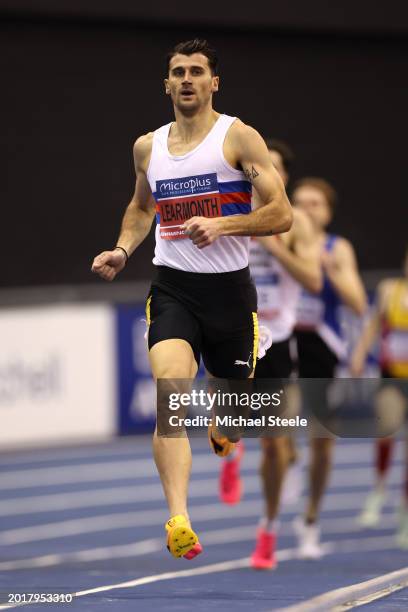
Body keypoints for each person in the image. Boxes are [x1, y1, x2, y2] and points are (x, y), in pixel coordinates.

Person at [91, 39, 293, 561]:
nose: (187, 79)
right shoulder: (147, 147)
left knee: (229, 412)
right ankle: (178, 517)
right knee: (170, 398)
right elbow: (140, 208)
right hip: (173, 287)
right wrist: (121, 248)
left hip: (230, 293)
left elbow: (281, 213)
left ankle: (225, 432)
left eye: (197, 72)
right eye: (178, 71)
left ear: (213, 83)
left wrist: (224, 222)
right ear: (166, 83)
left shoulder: (238, 138)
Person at [215, 140, 322, 572]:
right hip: (236, 331)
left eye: (272, 169)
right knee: (232, 423)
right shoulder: (231, 212)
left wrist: (275, 247)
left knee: (277, 447)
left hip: (276, 340)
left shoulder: (297, 226)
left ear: (283, 178)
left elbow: (314, 280)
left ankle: (269, 528)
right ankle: (232, 449)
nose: (260, 175)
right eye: (257, 169)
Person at [290, 177, 367, 560]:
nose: (305, 209)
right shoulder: (278, 238)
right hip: (284, 339)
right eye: (299, 202)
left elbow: (357, 302)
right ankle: (284, 455)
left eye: (314, 204)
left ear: (328, 212)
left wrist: (329, 269)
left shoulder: (339, 248)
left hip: (321, 345)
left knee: (321, 442)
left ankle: (310, 519)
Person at [351, 247, 408, 548]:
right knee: (386, 428)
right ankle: (379, 489)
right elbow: (373, 326)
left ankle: (404, 514)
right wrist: (360, 354)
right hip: (392, 376)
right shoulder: (390, 290)